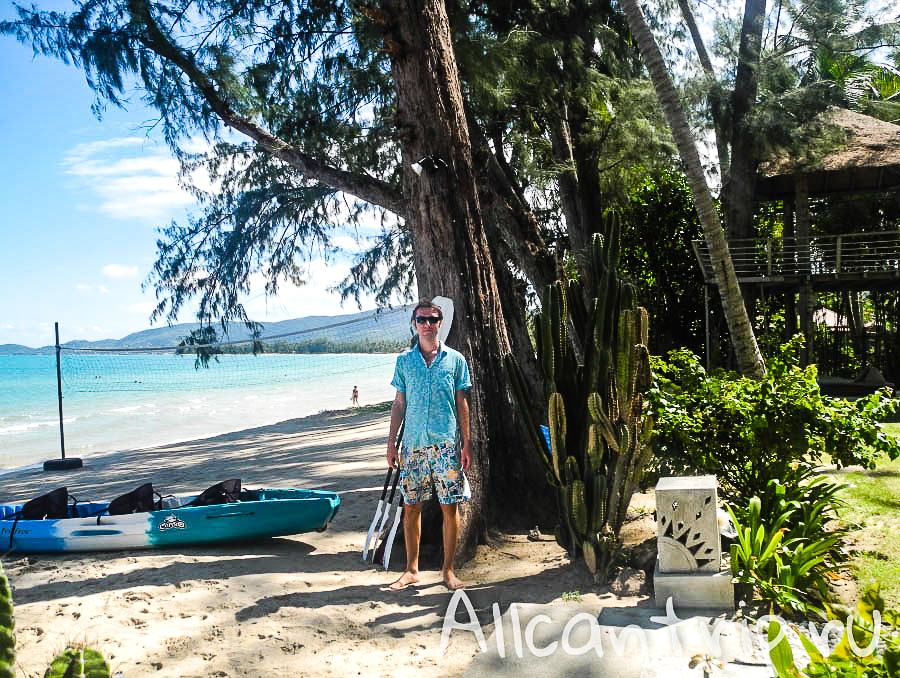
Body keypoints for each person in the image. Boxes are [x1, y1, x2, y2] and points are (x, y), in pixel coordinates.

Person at [385, 299, 472, 591]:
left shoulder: (456, 360)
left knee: (450, 508)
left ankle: (448, 571)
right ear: (414, 324)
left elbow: (462, 403)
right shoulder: (404, 362)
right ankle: (411, 569)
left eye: (432, 319)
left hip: (447, 445)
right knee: (412, 508)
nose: (426, 324)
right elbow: (399, 404)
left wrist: (467, 443)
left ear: (440, 323)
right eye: (421, 320)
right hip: (412, 447)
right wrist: (390, 444)